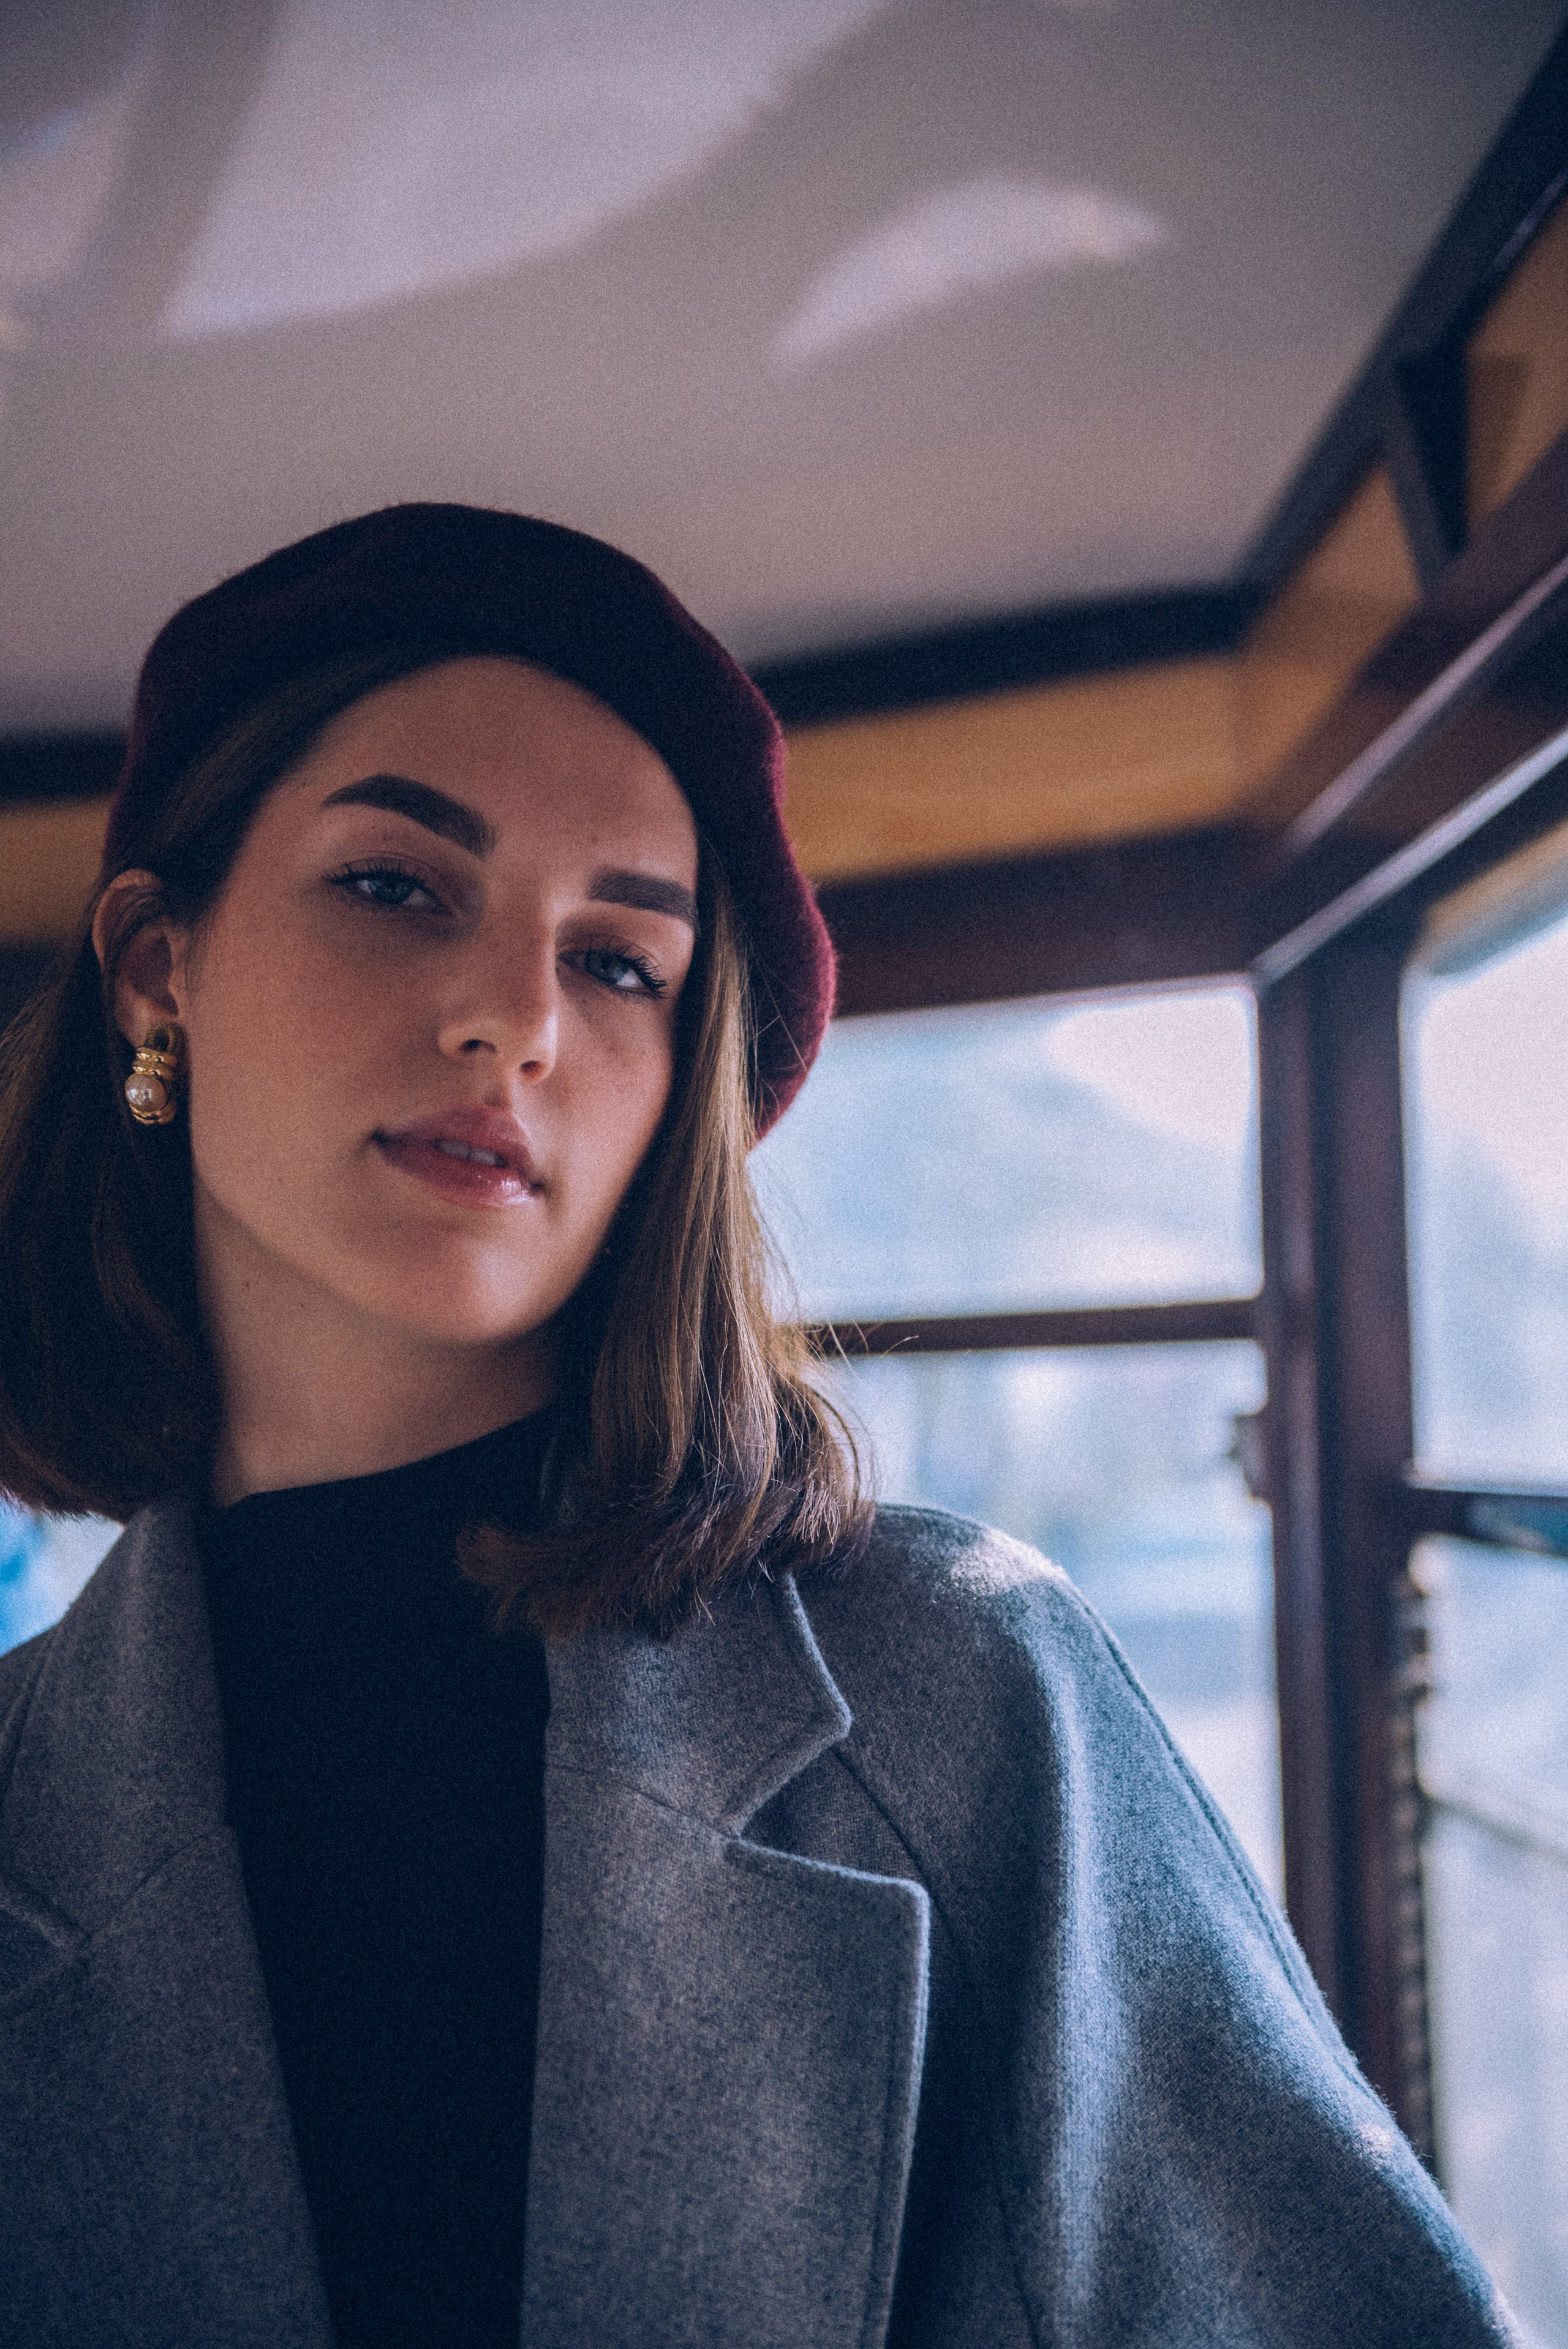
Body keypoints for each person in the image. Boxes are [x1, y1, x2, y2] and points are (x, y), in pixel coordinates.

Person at [0, 505, 1517, 2349]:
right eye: (400, 884)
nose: (513, 1019)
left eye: (622, 961)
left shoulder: (966, 1684)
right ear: (160, 962)